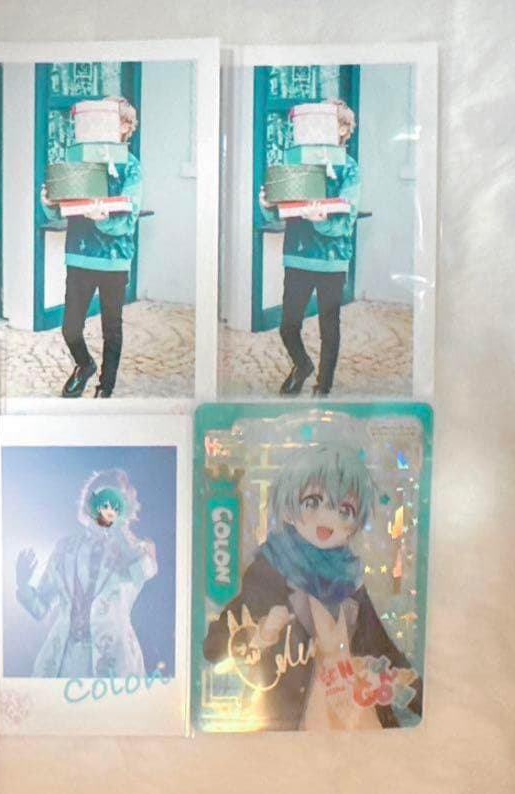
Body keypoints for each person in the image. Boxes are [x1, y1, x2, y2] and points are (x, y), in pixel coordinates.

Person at [202, 444, 423, 730]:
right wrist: (261, 635)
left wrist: (422, 697)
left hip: (354, 715)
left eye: (344, 510)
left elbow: (381, 647)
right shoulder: (269, 574)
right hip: (293, 718)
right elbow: (216, 646)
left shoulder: (350, 582)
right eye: (313, 502)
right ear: (289, 507)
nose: (327, 518)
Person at [41, 96, 142, 399]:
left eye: (109, 120)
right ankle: (84, 365)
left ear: (125, 127)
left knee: (112, 328)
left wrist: (103, 220)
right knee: (70, 328)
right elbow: (61, 209)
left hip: (114, 260)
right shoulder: (79, 160)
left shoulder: (131, 167)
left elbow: (128, 219)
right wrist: (50, 203)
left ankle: (105, 388)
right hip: (80, 255)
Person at [259, 98, 361, 395]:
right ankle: (302, 365)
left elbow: (347, 220)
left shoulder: (350, 169)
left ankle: (324, 386)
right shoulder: (298, 162)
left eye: (328, 123)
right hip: (298, 255)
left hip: (332, 260)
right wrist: (268, 204)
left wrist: (322, 221)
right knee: (288, 325)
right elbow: (280, 211)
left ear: (343, 130)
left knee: (329, 326)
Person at [14, 469, 157, 678]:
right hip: (62, 664)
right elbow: (41, 609)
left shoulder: (138, 550)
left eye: (114, 501)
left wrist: (117, 525)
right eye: (101, 499)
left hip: (115, 665)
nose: (106, 506)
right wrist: (23, 585)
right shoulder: (65, 548)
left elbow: (142, 570)